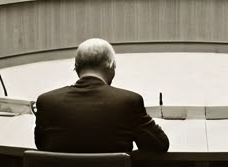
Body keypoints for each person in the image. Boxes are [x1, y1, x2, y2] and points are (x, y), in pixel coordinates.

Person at [33, 38, 169, 154]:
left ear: (76, 67)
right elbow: (159, 145)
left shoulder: (47, 102)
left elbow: (41, 145)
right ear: (111, 66)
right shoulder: (128, 102)